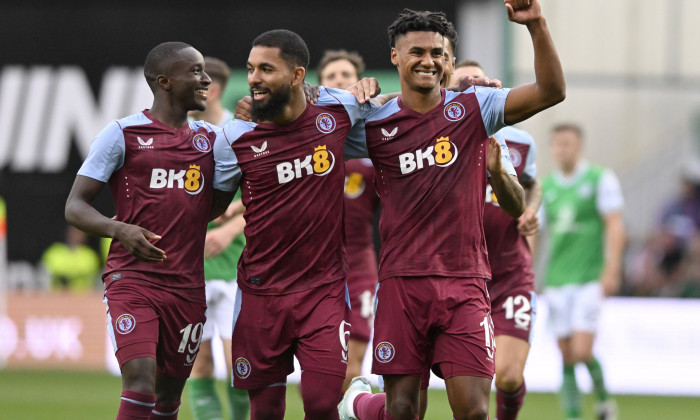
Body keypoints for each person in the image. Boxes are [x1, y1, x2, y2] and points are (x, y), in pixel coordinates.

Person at [338, 2, 565, 420]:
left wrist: (536, 25)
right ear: (395, 57)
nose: (428, 60)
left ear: (450, 61)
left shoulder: (476, 109)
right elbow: (301, 122)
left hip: (465, 282)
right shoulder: (372, 123)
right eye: (417, 52)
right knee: (403, 411)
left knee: (475, 411)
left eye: (437, 53)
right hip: (402, 283)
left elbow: (551, 92)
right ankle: (359, 404)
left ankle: (359, 405)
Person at [212, 29, 380, 420]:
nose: (254, 77)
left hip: (322, 292)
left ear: (297, 75)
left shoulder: (338, 111)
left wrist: (459, 88)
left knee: (322, 405)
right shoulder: (235, 137)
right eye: (252, 69)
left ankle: (360, 400)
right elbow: (209, 206)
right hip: (259, 295)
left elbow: (402, 113)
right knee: (265, 410)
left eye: (266, 69)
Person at [65, 41, 222, 420]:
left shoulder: (212, 140)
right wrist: (120, 229)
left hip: (186, 287)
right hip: (132, 280)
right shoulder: (122, 134)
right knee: (140, 382)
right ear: (164, 81)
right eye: (196, 71)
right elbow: (75, 206)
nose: (206, 80)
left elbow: (212, 208)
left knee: (168, 401)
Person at [447, 60, 541, 420]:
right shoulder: (437, 141)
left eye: (477, 84)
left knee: (509, 375)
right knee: (476, 388)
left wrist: (530, 209)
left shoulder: (520, 141)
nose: (471, 90)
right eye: (461, 85)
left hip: (511, 273)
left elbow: (533, 183)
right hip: (462, 277)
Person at [539, 123, 624, 420]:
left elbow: (614, 225)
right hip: (556, 280)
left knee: (582, 351)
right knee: (565, 355)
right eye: (558, 144)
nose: (562, 149)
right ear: (552, 148)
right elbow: (535, 232)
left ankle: (603, 401)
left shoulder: (599, 178)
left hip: (588, 278)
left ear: (579, 146)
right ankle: (573, 416)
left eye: (568, 143)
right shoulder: (546, 187)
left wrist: (612, 269)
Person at [187, 56, 250, 420]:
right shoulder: (184, 134)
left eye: (199, 83)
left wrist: (231, 225)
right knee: (199, 361)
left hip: (236, 264)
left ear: (217, 89)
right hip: (193, 266)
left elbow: (266, 193)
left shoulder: (240, 133)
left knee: (237, 364)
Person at [318, 49, 381, 393]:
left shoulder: (377, 147)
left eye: (346, 75)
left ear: (360, 83)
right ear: (319, 86)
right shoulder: (309, 143)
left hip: (359, 267)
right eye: (331, 77)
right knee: (322, 368)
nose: (339, 81)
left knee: (352, 364)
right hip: (316, 269)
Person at [41, 224, 102, 292]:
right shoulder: (55, 250)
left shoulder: (90, 254)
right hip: (57, 294)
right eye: (73, 232)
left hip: (82, 295)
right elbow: (47, 270)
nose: (76, 235)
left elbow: (90, 273)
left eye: (79, 233)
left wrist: (66, 271)